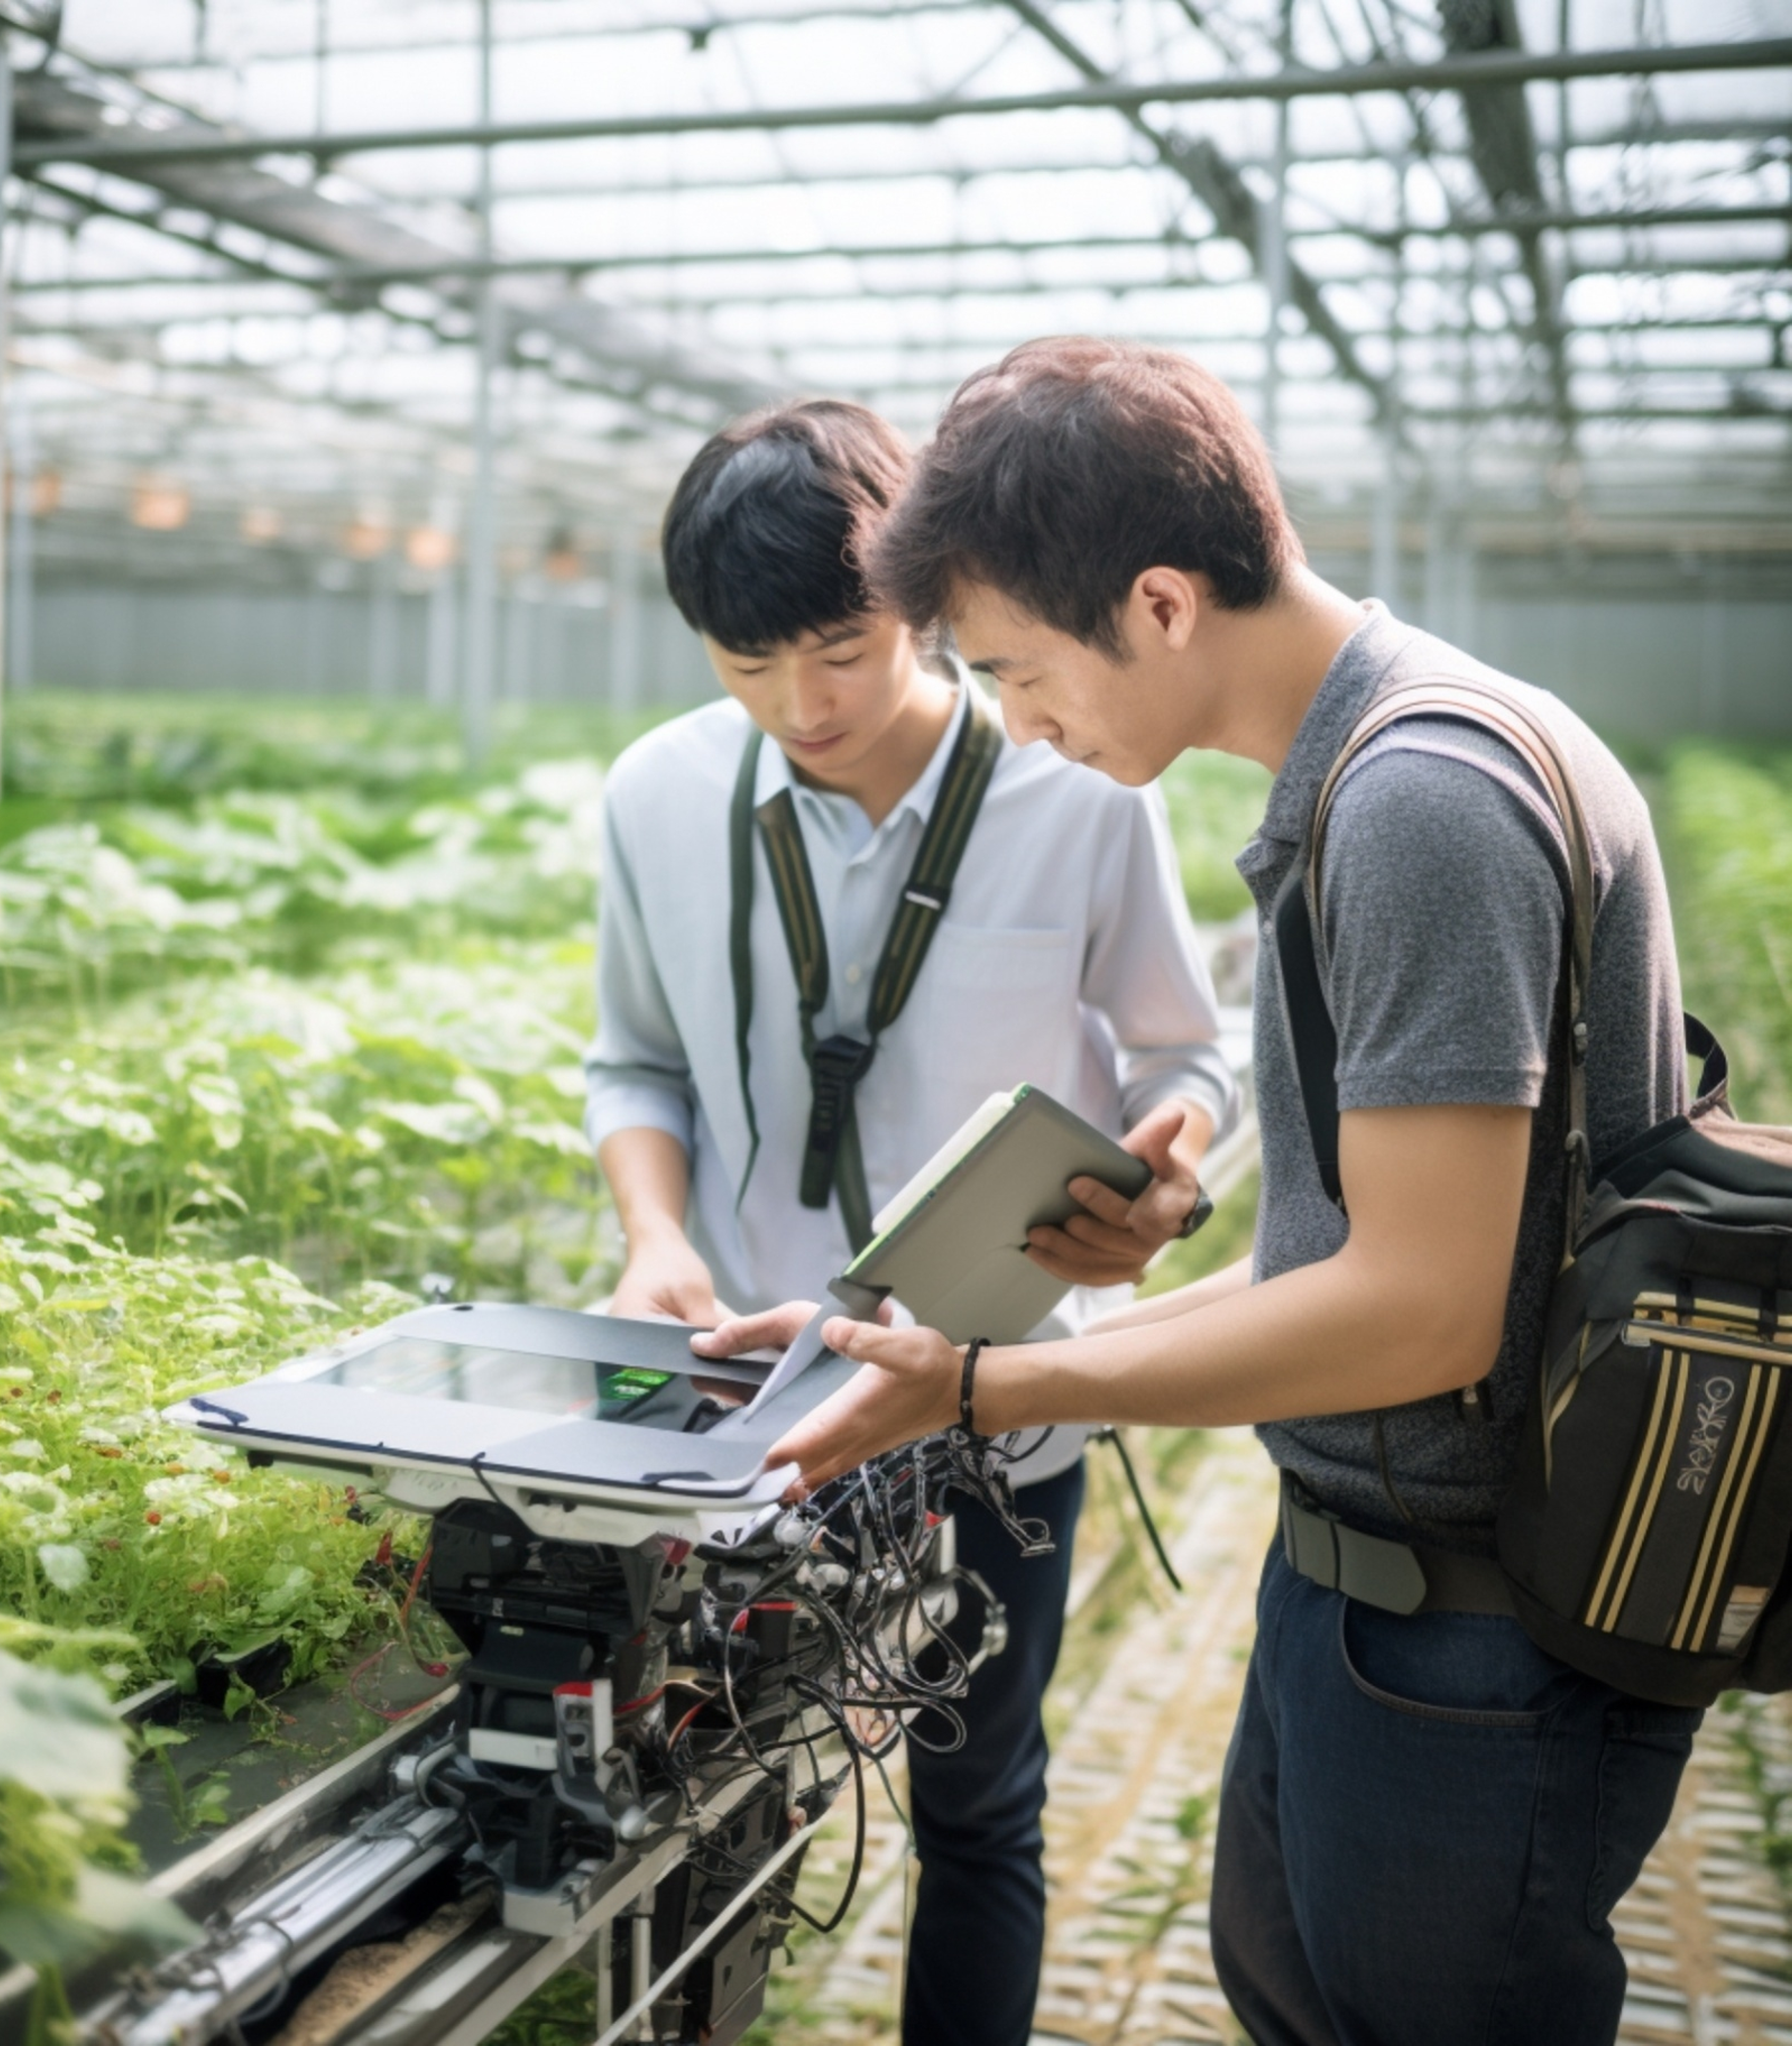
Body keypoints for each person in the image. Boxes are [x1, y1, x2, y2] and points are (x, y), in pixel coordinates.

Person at [693, 340, 1698, 2046]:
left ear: (1160, 604)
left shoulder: (1419, 802)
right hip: (1385, 1602)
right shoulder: (1377, 774)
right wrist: (962, 1343)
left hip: (1477, 1644)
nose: (1019, 723)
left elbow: (1424, 1311)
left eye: (1015, 669)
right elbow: (1369, 1258)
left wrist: (996, 1385)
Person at [583, 397, 1237, 2046]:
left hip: (992, 1400)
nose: (800, 706)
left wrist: (1174, 1162)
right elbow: (636, 1062)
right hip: (748, 1401)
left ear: (923, 604)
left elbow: (1186, 1054)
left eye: (841, 649)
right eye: (745, 666)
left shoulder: (1079, 788)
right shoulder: (657, 799)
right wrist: (654, 1238)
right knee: (685, 1802)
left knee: (979, 1812)